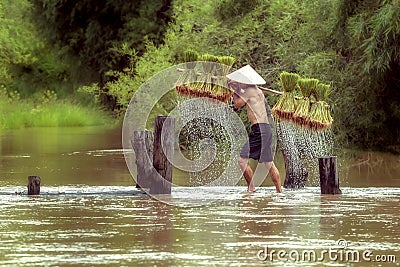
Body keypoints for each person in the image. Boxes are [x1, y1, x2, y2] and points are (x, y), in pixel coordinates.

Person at [226, 65, 282, 193]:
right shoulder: (256, 90)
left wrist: (233, 89)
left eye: (240, 81)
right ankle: (279, 192)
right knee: (269, 163)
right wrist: (237, 87)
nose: (238, 82)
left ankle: (251, 188)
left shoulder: (250, 91)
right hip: (266, 129)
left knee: (241, 160)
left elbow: (237, 104)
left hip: (259, 130)